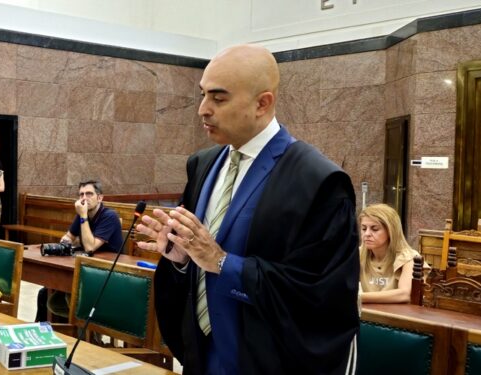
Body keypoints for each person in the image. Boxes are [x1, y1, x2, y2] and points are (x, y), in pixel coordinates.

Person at [135, 44, 360, 374]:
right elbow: (198, 260)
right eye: (202, 95)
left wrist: (223, 263)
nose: (202, 109)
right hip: (202, 354)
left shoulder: (318, 181)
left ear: (262, 103)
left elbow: (321, 297)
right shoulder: (203, 164)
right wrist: (181, 258)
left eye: (218, 98)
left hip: (266, 360)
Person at [35, 180, 123, 322]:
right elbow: (68, 237)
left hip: (108, 275)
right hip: (87, 269)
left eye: (89, 194)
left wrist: (82, 216)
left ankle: (89, 335)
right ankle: (56, 333)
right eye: (81, 194)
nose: (84, 198)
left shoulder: (109, 216)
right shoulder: (83, 214)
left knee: (72, 295)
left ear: (100, 198)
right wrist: (66, 242)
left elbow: (90, 247)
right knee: (47, 295)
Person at [359, 203, 428, 303]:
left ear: (391, 231)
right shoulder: (358, 254)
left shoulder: (409, 258)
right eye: (364, 228)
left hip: (398, 316)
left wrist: (357, 298)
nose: (367, 234)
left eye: (374, 229)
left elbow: (405, 294)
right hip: (368, 315)